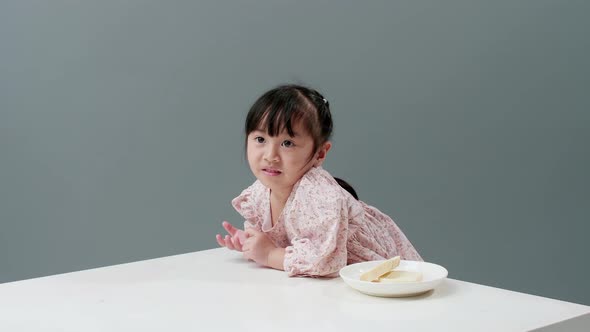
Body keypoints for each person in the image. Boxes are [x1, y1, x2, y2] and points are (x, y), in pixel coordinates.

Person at [215, 84, 422, 277]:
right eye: (260, 139)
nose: (270, 155)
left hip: (378, 274)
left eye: (287, 143)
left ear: (320, 153)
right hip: (329, 290)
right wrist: (253, 243)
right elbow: (284, 240)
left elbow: (326, 262)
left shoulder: (319, 195)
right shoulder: (260, 192)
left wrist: (270, 255)